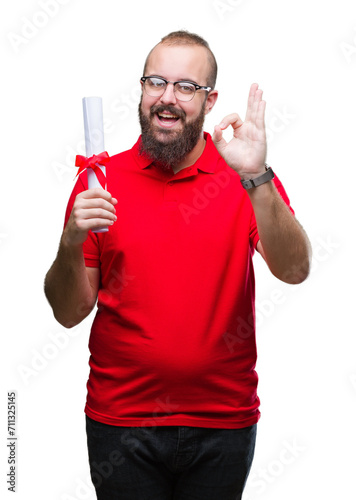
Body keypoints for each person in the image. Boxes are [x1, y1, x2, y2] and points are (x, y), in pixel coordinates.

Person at [44, 30, 311, 500]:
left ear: (210, 101)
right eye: (156, 82)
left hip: (223, 423)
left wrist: (256, 178)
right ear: (142, 90)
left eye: (186, 87)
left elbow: (294, 270)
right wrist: (71, 239)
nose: (167, 99)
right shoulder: (99, 181)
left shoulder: (245, 178)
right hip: (121, 424)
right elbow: (68, 312)